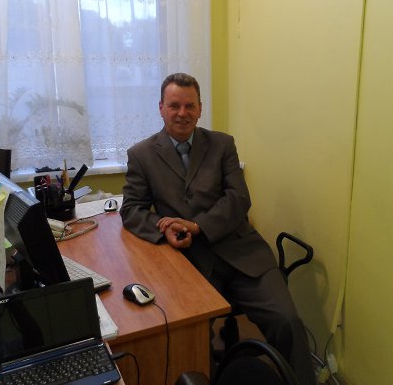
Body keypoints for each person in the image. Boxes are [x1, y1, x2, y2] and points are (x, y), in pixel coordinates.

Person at [120, 72, 316, 385]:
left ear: (200, 109)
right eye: (174, 105)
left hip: (242, 254)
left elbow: (239, 199)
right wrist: (163, 227)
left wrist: (198, 226)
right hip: (188, 261)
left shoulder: (223, 144)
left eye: (190, 106)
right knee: (189, 335)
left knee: (287, 321)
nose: (182, 113)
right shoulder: (141, 155)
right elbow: (132, 209)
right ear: (161, 108)